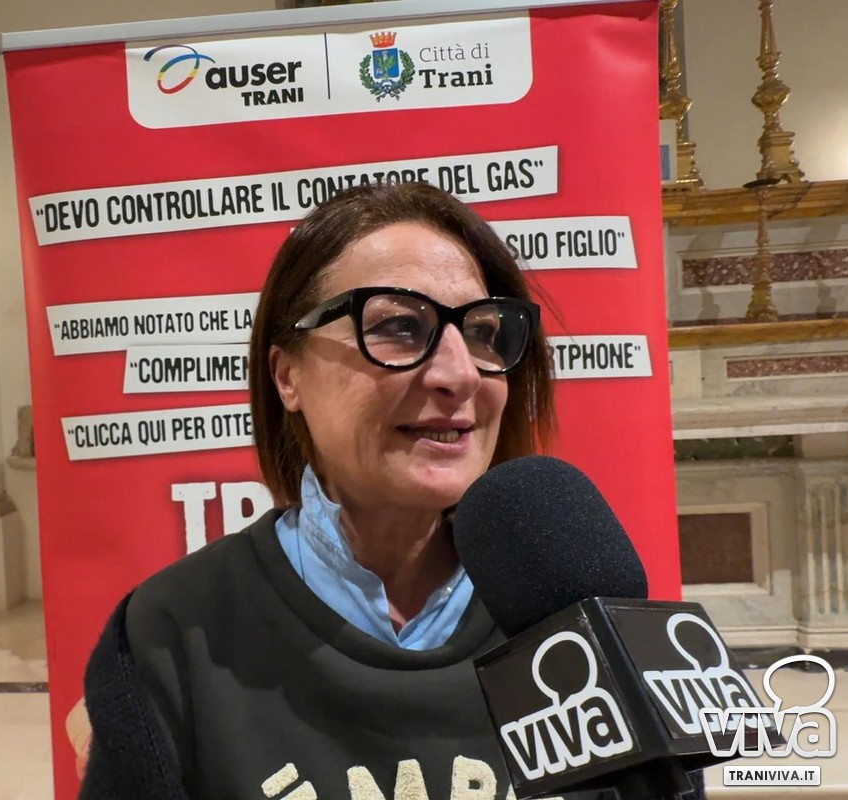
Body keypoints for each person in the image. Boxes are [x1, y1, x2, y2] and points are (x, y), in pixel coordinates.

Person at [76, 182, 621, 800]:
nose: (460, 373)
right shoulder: (172, 635)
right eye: (398, 325)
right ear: (288, 376)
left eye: (483, 331)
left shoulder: (572, 613)